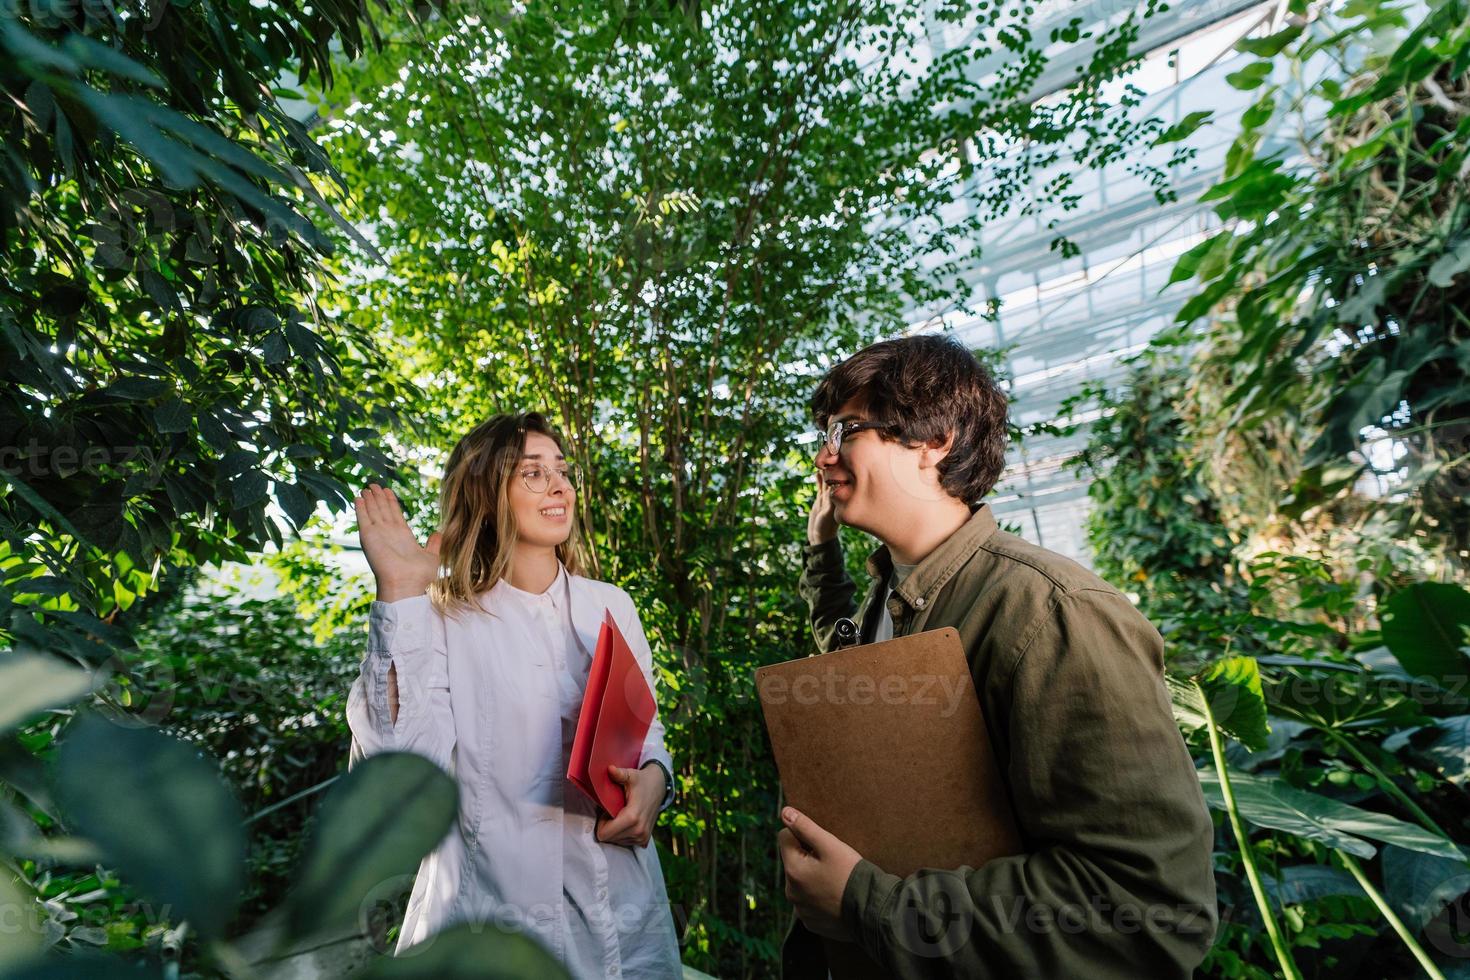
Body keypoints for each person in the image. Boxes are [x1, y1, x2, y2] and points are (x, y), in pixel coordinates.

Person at [777, 335, 1217, 978]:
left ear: (936, 440)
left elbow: (1148, 909)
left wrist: (868, 904)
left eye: (847, 431)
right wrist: (822, 548)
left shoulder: (1050, 613)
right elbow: (835, 647)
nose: (825, 456)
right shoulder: (891, 598)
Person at [345, 412, 682, 980]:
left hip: (622, 908)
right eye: (532, 473)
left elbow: (646, 734)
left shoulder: (611, 606)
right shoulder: (440, 617)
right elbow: (397, 770)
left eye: (562, 470)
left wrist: (656, 781)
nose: (559, 486)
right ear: (487, 491)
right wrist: (400, 597)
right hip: (487, 916)